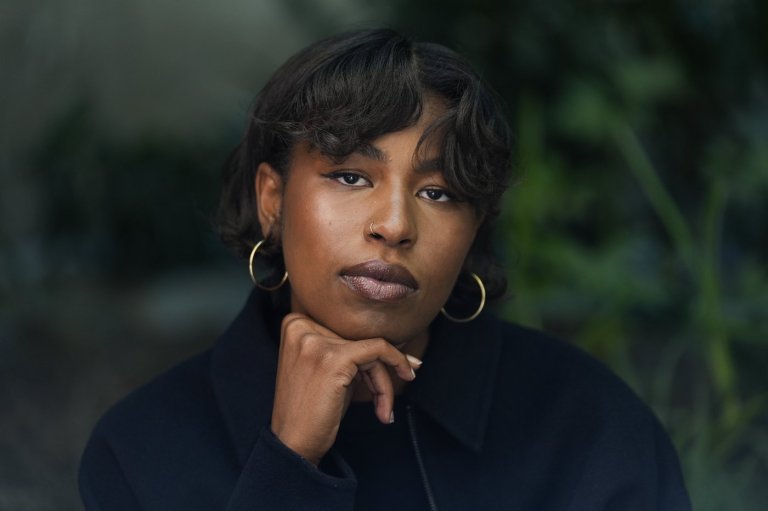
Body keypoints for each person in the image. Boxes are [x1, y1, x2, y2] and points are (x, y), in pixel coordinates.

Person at [78, 29, 692, 510]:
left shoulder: (588, 426)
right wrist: (289, 464)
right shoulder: (142, 450)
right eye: (350, 177)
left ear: (474, 228)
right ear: (272, 201)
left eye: (439, 192)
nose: (395, 225)